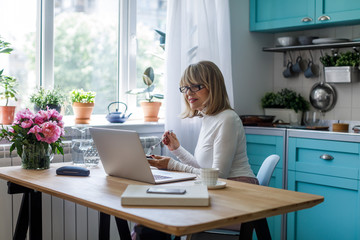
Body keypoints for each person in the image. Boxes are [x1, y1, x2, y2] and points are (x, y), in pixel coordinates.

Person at [148, 60, 257, 184]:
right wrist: (176, 149)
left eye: (195, 86)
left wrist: (172, 164)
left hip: (241, 185)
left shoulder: (228, 119)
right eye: (186, 88)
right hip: (221, 185)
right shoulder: (208, 118)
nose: (188, 93)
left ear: (213, 88)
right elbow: (203, 169)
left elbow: (218, 175)